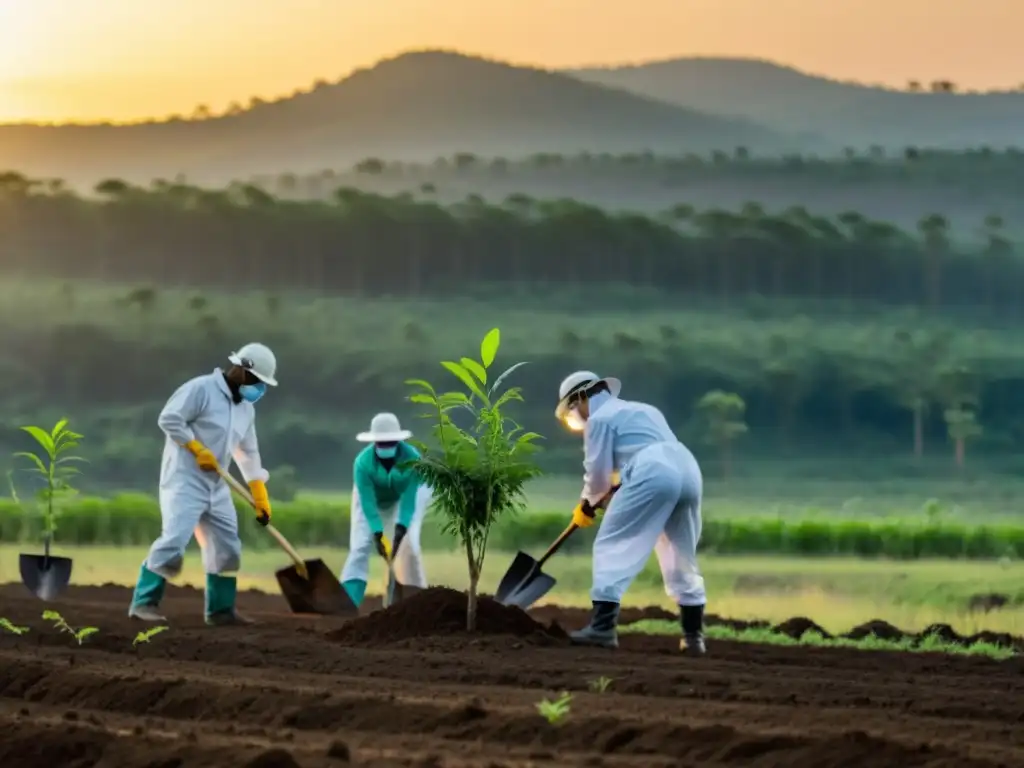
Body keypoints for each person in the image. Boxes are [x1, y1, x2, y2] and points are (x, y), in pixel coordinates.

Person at [555, 370, 707, 655]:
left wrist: (586, 504)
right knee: (679, 553)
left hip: (651, 471)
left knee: (612, 544)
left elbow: (598, 478)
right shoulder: (642, 410)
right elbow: (641, 460)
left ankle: (602, 629)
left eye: (573, 410)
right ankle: (693, 636)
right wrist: (612, 491)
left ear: (580, 398)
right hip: (687, 468)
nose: (577, 418)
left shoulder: (598, 420)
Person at [128, 343, 278, 626]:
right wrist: (197, 448)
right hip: (184, 480)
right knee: (173, 540)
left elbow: (248, 453)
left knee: (228, 547)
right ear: (242, 372)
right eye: (258, 382)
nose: (259, 390)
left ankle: (220, 610)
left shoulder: (246, 410)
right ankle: (144, 603)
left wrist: (260, 493)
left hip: (217, 484)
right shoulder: (201, 389)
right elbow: (169, 419)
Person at [339, 413, 432, 607]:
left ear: (398, 440)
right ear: (374, 442)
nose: (386, 446)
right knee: (359, 547)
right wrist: (377, 533)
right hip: (371, 499)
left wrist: (400, 529)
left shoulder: (412, 458)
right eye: (381, 443)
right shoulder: (362, 463)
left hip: (403, 498)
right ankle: (348, 601)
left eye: (390, 442)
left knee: (409, 546)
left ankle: (413, 601)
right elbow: (367, 502)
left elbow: (408, 500)